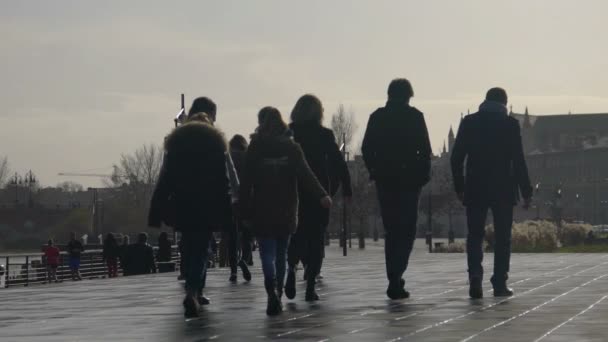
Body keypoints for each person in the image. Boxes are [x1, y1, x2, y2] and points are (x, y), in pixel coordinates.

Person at [240, 106, 331, 316]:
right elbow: (306, 174)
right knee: (281, 253)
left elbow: (246, 183)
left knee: (266, 254)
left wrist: (244, 210)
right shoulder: (292, 148)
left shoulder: (255, 147)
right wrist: (322, 195)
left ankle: (270, 287)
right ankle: (278, 291)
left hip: (262, 209)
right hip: (286, 208)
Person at [149, 97, 233, 318]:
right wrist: (227, 210)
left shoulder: (176, 144)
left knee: (189, 244)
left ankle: (195, 288)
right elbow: (223, 180)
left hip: (182, 204)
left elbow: (165, 178)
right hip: (207, 204)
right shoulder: (215, 143)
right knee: (202, 249)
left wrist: (156, 208)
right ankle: (194, 290)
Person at [451, 87, 532, 299]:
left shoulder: (469, 122)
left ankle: (475, 277)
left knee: (475, 235)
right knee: (503, 237)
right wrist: (527, 191)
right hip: (503, 188)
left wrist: (460, 186)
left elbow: (456, 157)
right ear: (504, 104)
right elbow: (519, 160)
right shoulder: (510, 125)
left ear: (484, 101)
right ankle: (499, 282)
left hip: (476, 186)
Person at [361, 78, 432, 300]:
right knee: (408, 229)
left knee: (391, 229)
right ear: (408, 96)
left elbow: (366, 148)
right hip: (410, 181)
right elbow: (425, 150)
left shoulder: (377, 117)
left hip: (386, 180)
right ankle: (397, 273)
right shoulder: (415, 116)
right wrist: (422, 175)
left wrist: (375, 169)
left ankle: (393, 275)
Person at [285, 94, 352, 302]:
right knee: (315, 239)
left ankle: (290, 269)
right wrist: (345, 189)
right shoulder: (324, 135)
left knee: (295, 236)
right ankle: (310, 286)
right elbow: (339, 163)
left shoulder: (290, 132)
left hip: (294, 191)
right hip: (319, 193)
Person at [226, 134, 252, 282]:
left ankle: (233, 271)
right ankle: (244, 259)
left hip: (230, 201)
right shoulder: (248, 158)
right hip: (246, 201)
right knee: (248, 236)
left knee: (232, 238)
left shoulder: (227, 157)